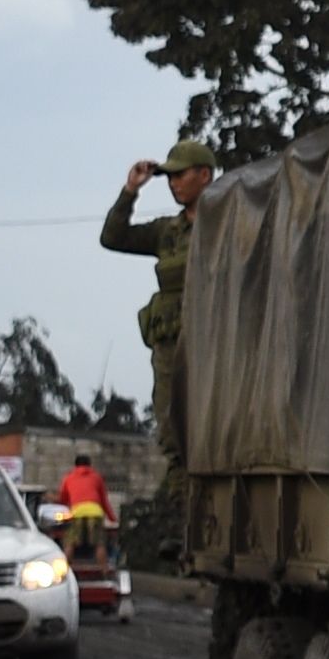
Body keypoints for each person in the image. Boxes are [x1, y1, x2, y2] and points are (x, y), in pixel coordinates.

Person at [99, 138, 216, 473]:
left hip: (214, 337)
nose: (173, 183)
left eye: (180, 175)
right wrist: (131, 191)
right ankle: (180, 481)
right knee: (169, 420)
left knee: (212, 416)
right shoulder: (167, 231)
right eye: (169, 177)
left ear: (204, 175)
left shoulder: (228, 222)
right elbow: (113, 237)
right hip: (170, 341)